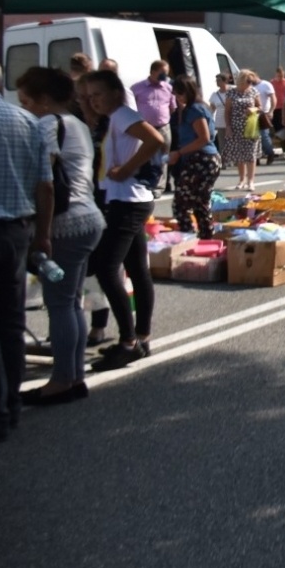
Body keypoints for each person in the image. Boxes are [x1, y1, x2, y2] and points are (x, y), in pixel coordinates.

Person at [14, 67, 102, 407]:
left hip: (65, 223)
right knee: (72, 300)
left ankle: (63, 379)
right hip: (88, 218)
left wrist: (44, 232)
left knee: (60, 303)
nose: (24, 108)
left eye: (26, 101)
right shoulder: (77, 124)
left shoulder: (49, 124)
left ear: (44, 100)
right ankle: (74, 375)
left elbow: (45, 180)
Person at [0, 57, 54, 441]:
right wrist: (42, 234)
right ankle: (10, 409)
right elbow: (45, 186)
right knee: (11, 325)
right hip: (18, 232)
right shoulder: (29, 121)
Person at [82, 69, 165, 372]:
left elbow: (155, 139)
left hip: (128, 201)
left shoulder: (122, 115)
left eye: (98, 94)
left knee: (106, 268)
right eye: (89, 96)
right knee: (136, 269)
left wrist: (128, 168)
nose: (94, 101)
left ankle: (129, 341)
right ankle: (140, 338)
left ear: (116, 92)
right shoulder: (112, 118)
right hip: (126, 199)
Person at [165, 77, 222, 239]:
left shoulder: (195, 110)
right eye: (175, 94)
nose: (177, 98)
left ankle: (187, 237)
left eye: (180, 94)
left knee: (181, 203)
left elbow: (203, 138)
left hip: (202, 160)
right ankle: (205, 237)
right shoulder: (191, 109)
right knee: (199, 203)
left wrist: (179, 152)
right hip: (204, 159)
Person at [131, 60, 176, 192]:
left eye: (167, 74)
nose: (165, 76)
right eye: (162, 73)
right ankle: (143, 182)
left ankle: (159, 186)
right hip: (145, 128)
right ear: (153, 72)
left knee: (163, 157)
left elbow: (173, 107)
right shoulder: (137, 88)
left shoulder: (168, 88)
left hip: (163, 127)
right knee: (143, 155)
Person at [220, 70, 260, 190]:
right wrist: (228, 127)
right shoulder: (231, 93)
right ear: (241, 80)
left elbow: (260, 107)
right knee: (239, 155)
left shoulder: (253, 91)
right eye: (248, 81)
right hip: (236, 126)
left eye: (251, 82)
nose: (249, 84)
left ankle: (251, 181)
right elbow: (227, 112)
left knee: (251, 154)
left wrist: (254, 109)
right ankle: (242, 179)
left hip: (250, 126)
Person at [253, 70, 278, 166]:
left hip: (264, 113)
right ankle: (257, 157)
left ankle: (270, 153)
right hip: (253, 114)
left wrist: (271, 110)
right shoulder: (250, 86)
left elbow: (273, 98)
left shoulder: (266, 85)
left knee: (264, 135)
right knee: (254, 136)